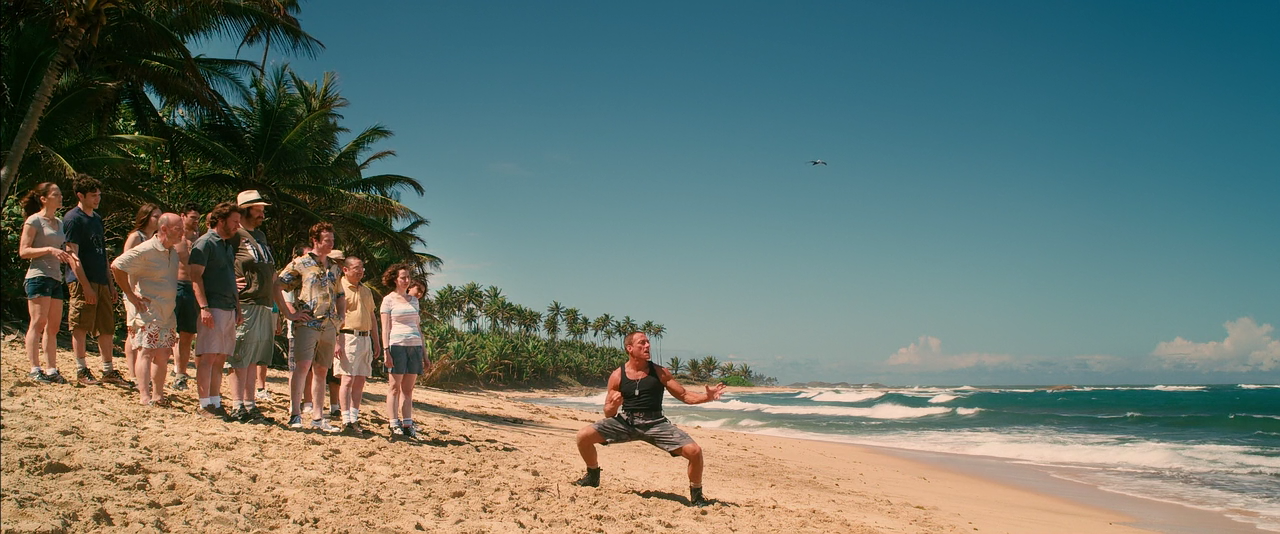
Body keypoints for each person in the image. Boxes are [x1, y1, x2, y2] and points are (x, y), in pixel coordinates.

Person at [573, 331, 727, 507]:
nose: (647, 346)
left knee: (695, 452)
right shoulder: (617, 375)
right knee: (583, 437)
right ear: (629, 348)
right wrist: (613, 406)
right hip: (627, 422)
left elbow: (684, 395)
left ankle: (697, 496)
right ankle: (593, 475)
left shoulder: (660, 372)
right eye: (642, 343)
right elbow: (608, 413)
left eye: (648, 342)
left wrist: (707, 397)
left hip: (656, 424)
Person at [229, 190, 294, 424]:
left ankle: (249, 405)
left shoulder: (261, 236)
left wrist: (280, 308)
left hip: (264, 303)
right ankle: (238, 405)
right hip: (245, 302)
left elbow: (272, 272)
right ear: (246, 209)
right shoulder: (234, 234)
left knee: (255, 357)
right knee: (240, 356)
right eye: (258, 209)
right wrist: (228, 281)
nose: (262, 214)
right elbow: (217, 260)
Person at [277, 223, 344, 432]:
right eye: (327, 240)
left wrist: (340, 317)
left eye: (333, 240)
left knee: (322, 370)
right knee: (302, 368)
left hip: (329, 324)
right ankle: (295, 414)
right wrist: (289, 314)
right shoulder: (300, 263)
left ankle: (317, 417)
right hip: (307, 323)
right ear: (315, 240)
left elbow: (340, 293)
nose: (331, 243)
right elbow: (277, 285)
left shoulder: (334, 266)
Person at [110, 213, 183, 406]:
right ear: (164, 229)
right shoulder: (146, 248)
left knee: (163, 354)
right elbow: (117, 266)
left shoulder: (172, 252)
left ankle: (158, 396)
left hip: (167, 312)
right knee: (146, 352)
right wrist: (131, 295)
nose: (182, 233)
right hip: (147, 311)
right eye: (178, 229)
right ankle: (144, 396)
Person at [62, 174, 125, 386]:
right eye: (93, 195)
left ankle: (108, 369)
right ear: (80, 196)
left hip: (101, 278)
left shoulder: (97, 219)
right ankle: (82, 369)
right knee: (80, 324)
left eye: (99, 195)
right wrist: (85, 286)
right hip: (82, 280)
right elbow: (72, 255)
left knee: (106, 325)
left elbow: (103, 254)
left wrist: (110, 283)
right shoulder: (73, 218)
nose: (97, 199)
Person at [188, 201, 242, 418]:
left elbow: (230, 278)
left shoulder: (226, 244)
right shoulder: (205, 243)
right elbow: (195, 278)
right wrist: (204, 307)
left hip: (228, 306)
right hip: (213, 306)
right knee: (208, 356)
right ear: (221, 221)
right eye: (234, 221)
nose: (238, 226)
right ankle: (204, 404)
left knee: (220, 357)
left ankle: (216, 401)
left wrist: (237, 307)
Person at [19, 183, 76, 384]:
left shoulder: (59, 223)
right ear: (43, 198)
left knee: (53, 326)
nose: (60, 197)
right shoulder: (34, 221)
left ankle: (51, 368)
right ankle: (35, 368)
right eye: (56, 194)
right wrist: (49, 250)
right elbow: (24, 251)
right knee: (38, 322)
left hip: (55, 277)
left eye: (61, 194)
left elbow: (63, 247)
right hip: (38, 276)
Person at [380, 264, 429, 439]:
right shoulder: (389, 300)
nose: (406, 280)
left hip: (414, 346)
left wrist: (425, 353)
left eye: (408, 277)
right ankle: (394, 423)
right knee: (394, 387)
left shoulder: (413, 300)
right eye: (403, 277)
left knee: (408, 389)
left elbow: (418, 327)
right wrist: (386, 350)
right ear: (395, 279)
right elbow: (385, 328)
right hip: (397, 345)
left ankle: (407, 423)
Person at [335, 254, 379, 434]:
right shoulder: (339, 288)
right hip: (347, 336)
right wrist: (336, 341)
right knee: (347, 378)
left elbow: (372, 317)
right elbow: (336, 316)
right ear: (345, 269)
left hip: (365, 338)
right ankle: (345, 419)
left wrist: (376, 341)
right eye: (356, 268)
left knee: (361, 378)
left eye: (362, 268)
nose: (360, 271)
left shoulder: (366, 291)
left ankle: (354, 418)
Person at [121, 203, 162, 384]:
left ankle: (139, 374)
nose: (158, 220)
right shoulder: (135, 237)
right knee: (134, 332)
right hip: (134, 291)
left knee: (142, 333)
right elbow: (124, 265)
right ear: (146, 217)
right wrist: (130, 292)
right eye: (155, 216)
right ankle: (133, 374)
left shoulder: (155, 238)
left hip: (150, 292)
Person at [172, 204, 202, 391]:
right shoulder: (175, 238)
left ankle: (181, 373)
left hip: (192, 288)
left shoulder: (199, 240)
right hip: (176, 285)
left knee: (187, 334)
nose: (195, 221)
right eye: (192, 217)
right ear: (183, 216)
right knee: (169, 333)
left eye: (198, 218)